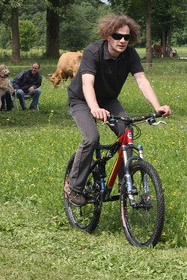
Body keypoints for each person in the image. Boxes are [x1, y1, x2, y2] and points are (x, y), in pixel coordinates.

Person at [64, 13, 171, 206]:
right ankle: (74, 187)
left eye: (127, 37)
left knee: (126, 134)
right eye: (117, 36)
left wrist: (158, 106)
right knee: (92, 138)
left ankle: (125, 183)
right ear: (107, 35)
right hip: (81, 99)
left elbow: (141, 80)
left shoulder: (130, 54)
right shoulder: (93, 51)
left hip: (109, 99)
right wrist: (95, 108)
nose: (122, 41)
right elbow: (87, 83)